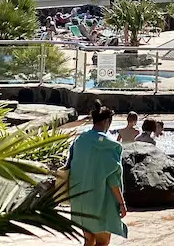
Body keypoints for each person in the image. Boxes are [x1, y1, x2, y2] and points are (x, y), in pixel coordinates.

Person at [68, 101, 128, 246]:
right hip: (100, 202)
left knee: (88, 241)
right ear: (108, 121)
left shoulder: (80, 140)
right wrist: (121, 203)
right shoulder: (110, 145)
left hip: (80, 200)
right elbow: (112, 178)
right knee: (102, 242)